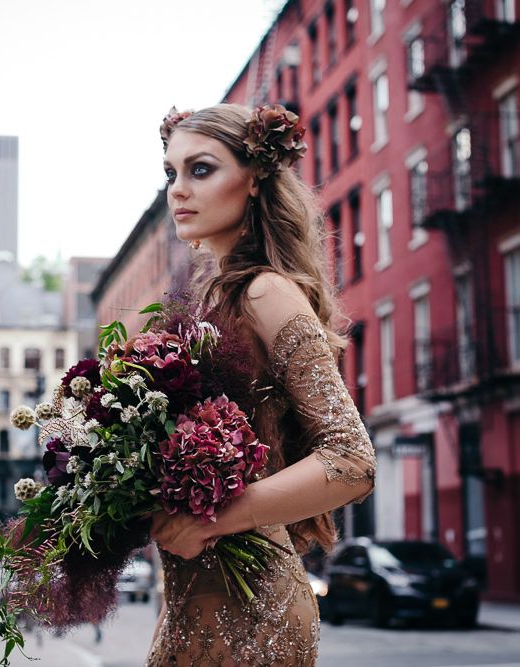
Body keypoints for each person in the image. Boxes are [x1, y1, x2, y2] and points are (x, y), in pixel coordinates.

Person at [147, 103, 377, 666]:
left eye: (200, 169)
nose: (178, 189)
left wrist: (212, 519)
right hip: (191, 605)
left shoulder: (263, 292)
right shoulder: (214, 300)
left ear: (253, 181)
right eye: (171, 173)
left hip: (253, 617)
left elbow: (352, 459)